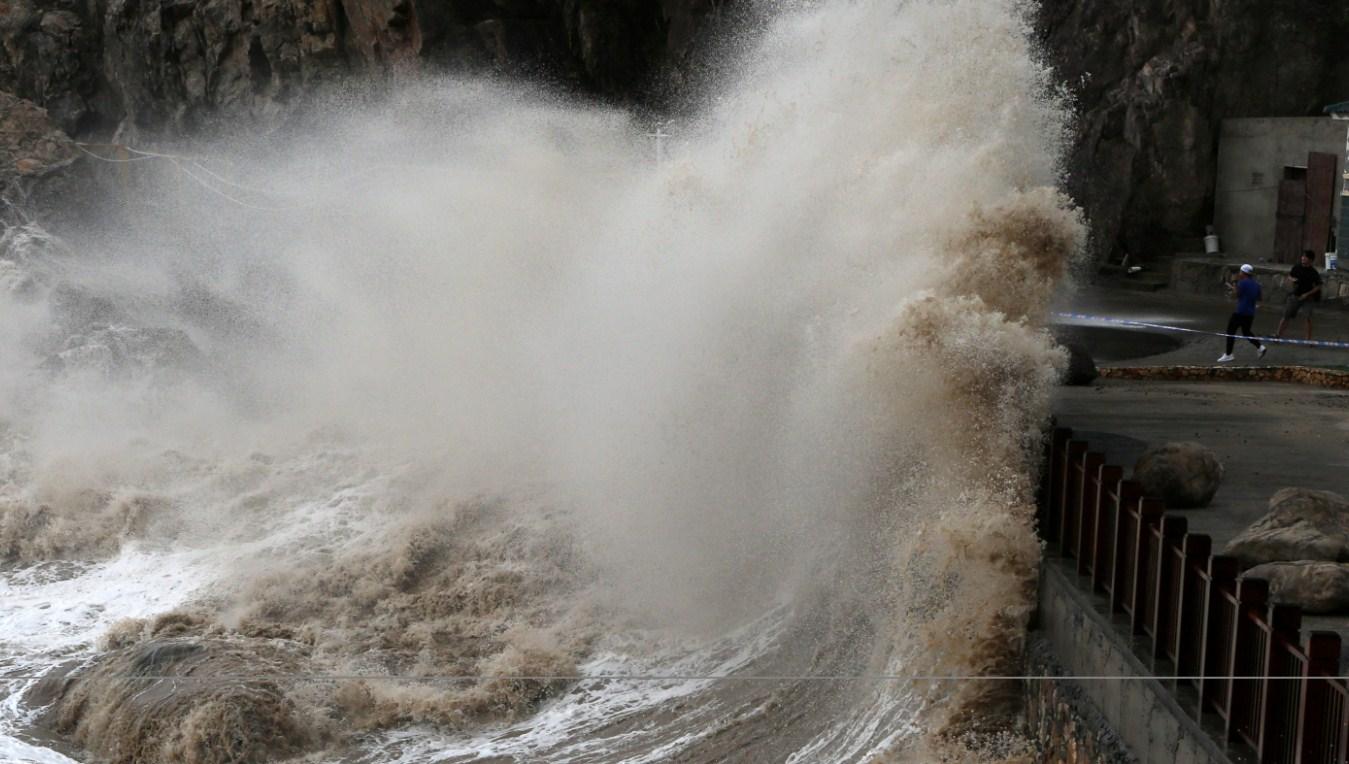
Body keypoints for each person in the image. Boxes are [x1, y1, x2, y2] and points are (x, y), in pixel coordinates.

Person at [1217, 264, 1267, 362]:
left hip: (1240, 312)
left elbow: (1235, 295)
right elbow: (1259, 298)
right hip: (1250, 313)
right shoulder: (1256, 284)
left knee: (1230, 332)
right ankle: (1260, 347)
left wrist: (1235, 284)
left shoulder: (1242, 283)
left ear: (1243, 273)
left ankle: (1228, 354)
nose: (1239, 274)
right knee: (1246, 332)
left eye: (1240, 272)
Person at [1274, 250, 1323, 340]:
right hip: (1295, 296)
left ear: (1311, 260)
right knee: (1286, 316)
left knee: (1307, 318)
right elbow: (1290, 275)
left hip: (1308, 298)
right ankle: (1277, 335)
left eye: (1305, 257)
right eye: (1302, 256)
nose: (1303, 258)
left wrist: (1307, 294)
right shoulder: (1297, 267)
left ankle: (1308, 339)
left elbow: (1318, 286)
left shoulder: (1313, 273)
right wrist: (1292, 279)